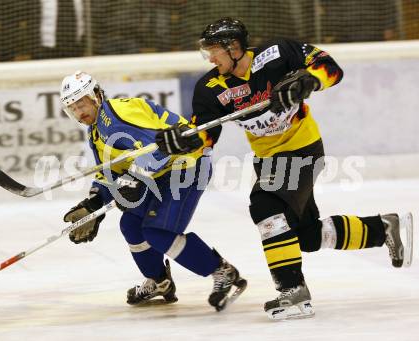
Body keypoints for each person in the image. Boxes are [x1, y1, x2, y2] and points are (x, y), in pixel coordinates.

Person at [156, 18, 414, 320]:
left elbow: (330, 66)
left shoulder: (275, 53)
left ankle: (293, 292)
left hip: (302, 149)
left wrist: (310, 79)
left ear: (234, 47)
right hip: (268, 159)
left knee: (265, 206)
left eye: (214, 51)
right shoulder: (210, 88)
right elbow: (205, 134)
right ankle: (383, 228)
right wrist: (184, 141)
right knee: (307, 236)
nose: (210, 59)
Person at [59, 71, 247, 310]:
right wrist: (94, 204)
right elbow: (109, 173)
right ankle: (160, 282)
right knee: (131, 225)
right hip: (161, 174)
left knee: (158, 232)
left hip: (187, 165)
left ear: (96, 95)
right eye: (73, 108)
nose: (79, 112)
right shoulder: (96, 131)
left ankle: (223, 272)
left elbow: (159, 148)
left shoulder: (115, 116)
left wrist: (134, 178)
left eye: (81, 103)